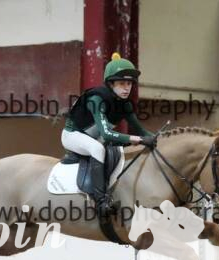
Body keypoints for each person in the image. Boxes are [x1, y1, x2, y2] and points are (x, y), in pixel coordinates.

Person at [63, 52, 156, 216]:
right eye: (121, 83)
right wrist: (138, 139)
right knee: (98, 149)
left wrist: (161, 139)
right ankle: (101, 202)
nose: (126, 88)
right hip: (73, 135)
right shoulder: (96, 99)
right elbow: (106, 134)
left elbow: (141, 131)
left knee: (117, 150)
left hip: (95, 137)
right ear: (111, 84)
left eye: (129, 83)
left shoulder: (125, 105)